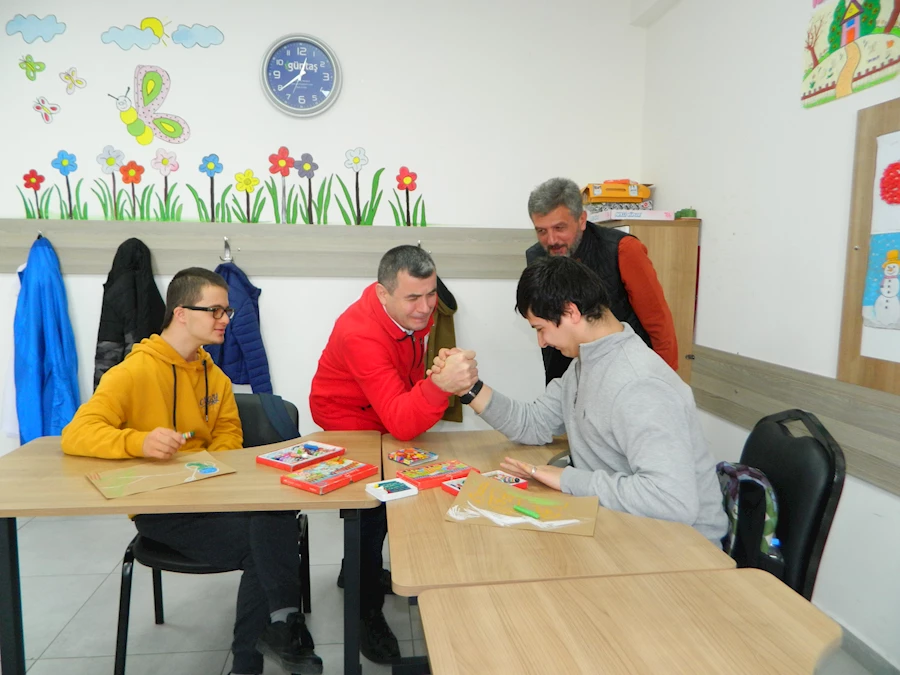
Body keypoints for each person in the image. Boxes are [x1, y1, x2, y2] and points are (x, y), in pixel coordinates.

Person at [61, 267, 322, 675]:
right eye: (215, 310)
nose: (225, 319)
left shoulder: (214, 375)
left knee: (275, 518)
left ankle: (271, 637)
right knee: (269, 540)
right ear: (181, 313)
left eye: (226, 311)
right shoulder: (132, 372)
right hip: (162, 510)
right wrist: (139, 442)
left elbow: (229, 433)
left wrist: (209, 471)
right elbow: (77, 434)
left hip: (212, 498)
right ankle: (266, 643)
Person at [430, 256, 727, 545]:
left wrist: (569, 480)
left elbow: (671, 500)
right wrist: (468, 387)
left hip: (683, 548)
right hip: (626, 525)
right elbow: (533, 424)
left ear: (570, 312)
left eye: (540, 328)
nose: (542, 342)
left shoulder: (640, 384)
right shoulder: (585, 364)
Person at [309, 245, 478, 663]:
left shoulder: (411, 312)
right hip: (346, 418)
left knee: (400, 496)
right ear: (383, 294)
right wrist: (438, 387)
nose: (426, 308)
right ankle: (365, 611)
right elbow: (402, 422)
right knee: (373, 508)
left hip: (384, 408)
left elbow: (403, 395)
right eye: (413, 297)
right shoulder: (360, 332)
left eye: (431, 293)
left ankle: (353, 572)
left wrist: (430, 378)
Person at [525, 177, 679, 385]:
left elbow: (658, 323)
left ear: (581, 220)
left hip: (624, 372)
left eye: (559, 228)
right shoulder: (535, 257)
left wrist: (665, 381)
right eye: (541, 231)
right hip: (566, 375)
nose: (551, 240)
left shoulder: (622, 249)